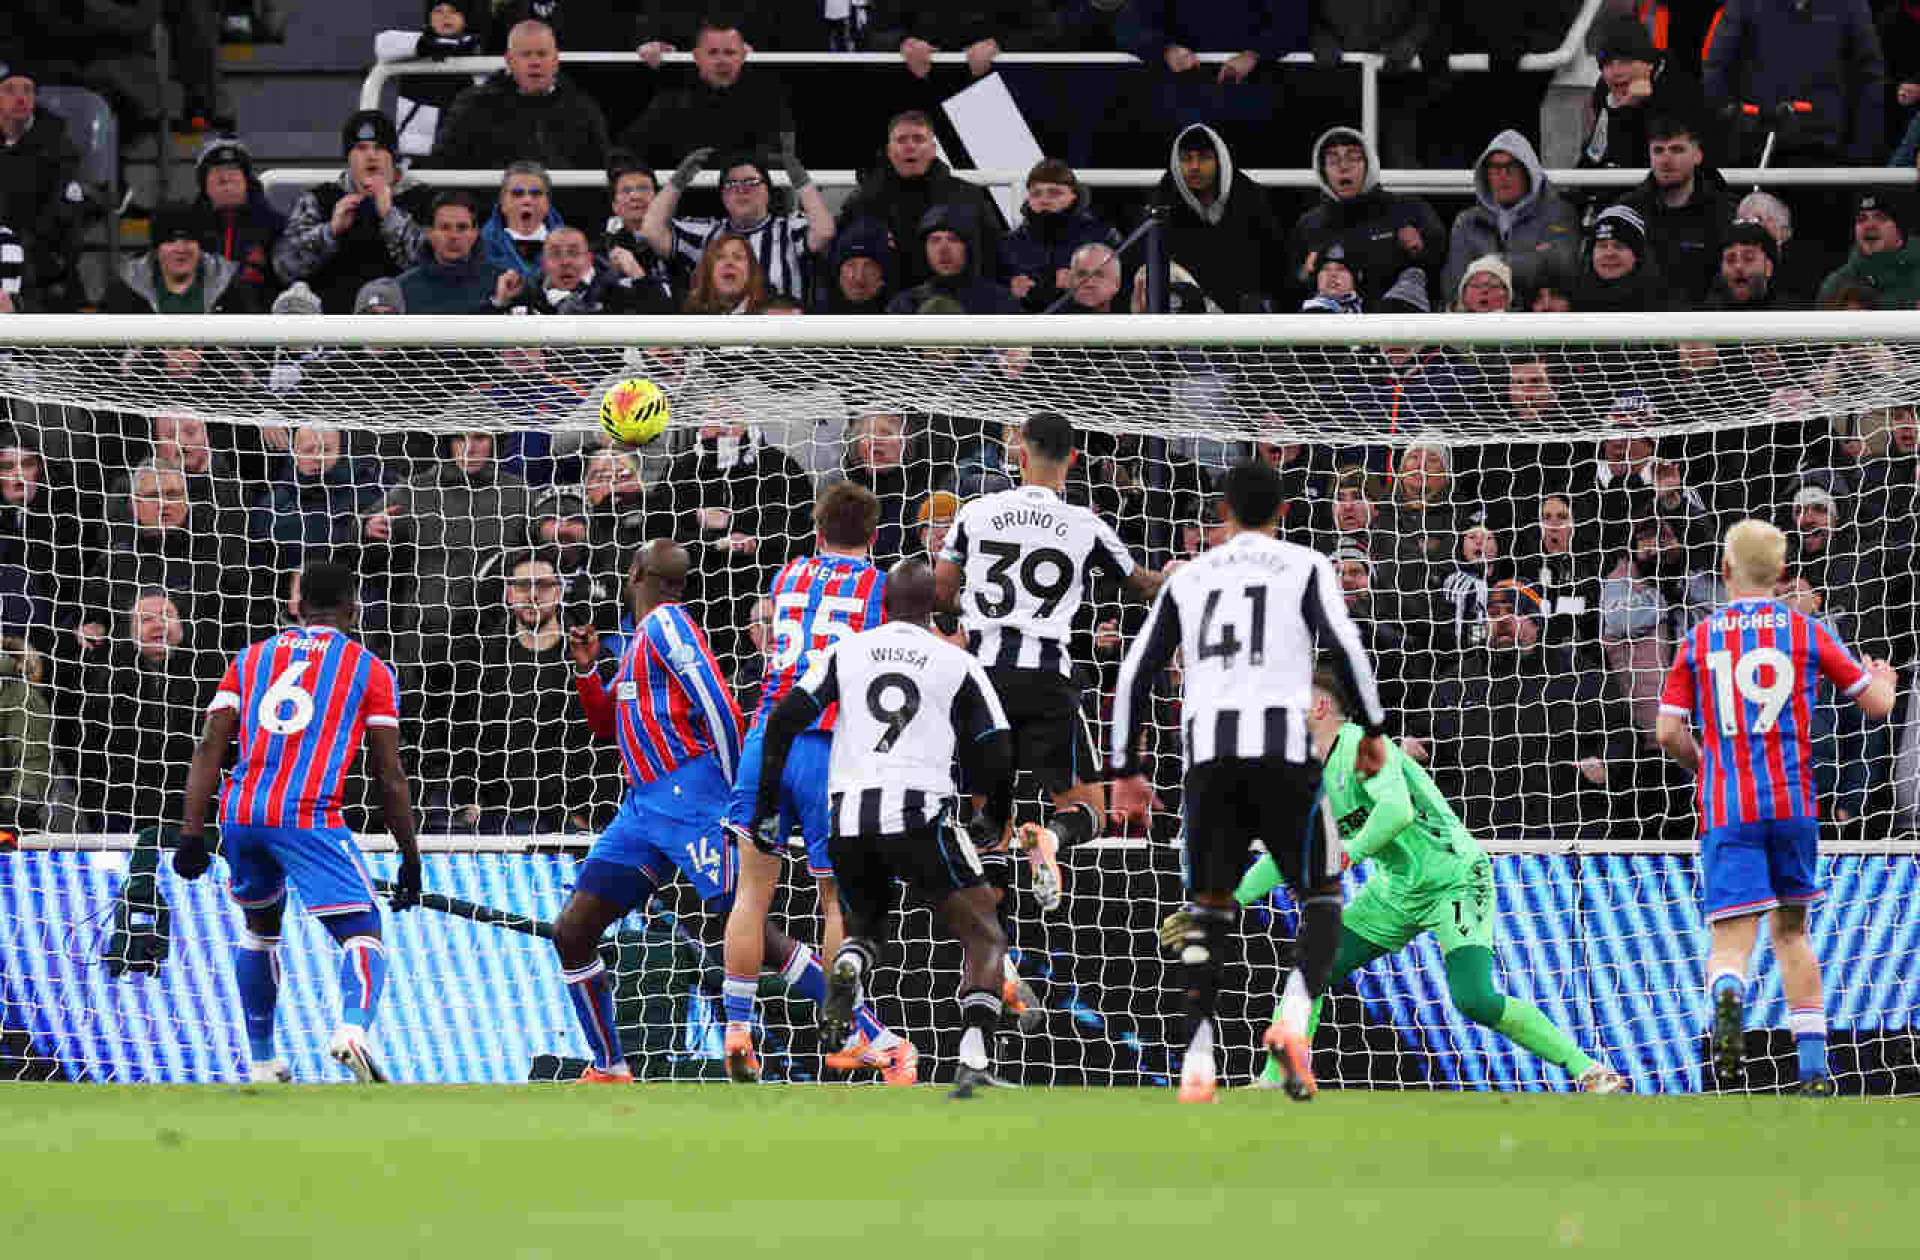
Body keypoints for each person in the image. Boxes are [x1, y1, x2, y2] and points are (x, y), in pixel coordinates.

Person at [1165, 668, 1627, 1094]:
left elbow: (1396, 811)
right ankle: (1276, 1078)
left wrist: (1344, 854)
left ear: (1319, 706)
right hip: (1396, 891)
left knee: (1475, 1000)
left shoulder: (1365, 746)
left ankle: (1587, 1068)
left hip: (1454, 878)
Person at [554, 539, 891, 1080]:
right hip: (642, 808)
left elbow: (718, 704)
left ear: (635, 572)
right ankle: (610, 1065)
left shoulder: (669, 625)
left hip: (690, 797)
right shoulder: (641, 638)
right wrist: (589, 671)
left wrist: (740, 788)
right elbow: (605, 723)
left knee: (753, 928)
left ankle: (869, 1032)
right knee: (573, 931)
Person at [1111, 458, 1386, 1103]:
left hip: (1209, 763)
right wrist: (1373, 729)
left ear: (1222, 513)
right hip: (1285, 756)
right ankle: (1293, 1020)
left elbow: (1135, 673)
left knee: (1207, 908)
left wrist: (1124, 770)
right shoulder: (1305, 565)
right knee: (1322, 895)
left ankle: (1197, 1061)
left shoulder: (1190, 576)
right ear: (1284, 512)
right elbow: (1347, 647)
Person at [750, 556, 1017, 1098]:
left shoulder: (845, 651)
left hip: (848, 818)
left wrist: (767, 804)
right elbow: (997, 742)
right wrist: (995, 812)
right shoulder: (954, 661)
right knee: (985, 934)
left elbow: (782, 720)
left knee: (866, 931)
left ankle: (848, 964)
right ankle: (973, 1059)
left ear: (883, 604)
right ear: (933, 605)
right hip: (919, 814)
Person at [1655, 519, 1898, 1093]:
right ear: (1783, 572)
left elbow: (1666, 732)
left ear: (1724, 570)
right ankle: (1813, 1070)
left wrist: (1703, 764)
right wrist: (1883, 678)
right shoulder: (1807, 630)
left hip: (1728, 807)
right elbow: (1877, 706)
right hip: (1793, 805)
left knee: (1731, 940)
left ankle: (1728, 998)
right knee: (1793, 934)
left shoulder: (1699, 638)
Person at [171, 560, 424, 1085]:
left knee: (261, 929)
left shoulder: (250, 658)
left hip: (241, 814)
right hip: (307, 813)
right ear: (354, 608)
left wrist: (191, 832)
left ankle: (262, 1061)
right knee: (362, 930)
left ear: (297, 606)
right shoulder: (370, 669)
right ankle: (352, 1031)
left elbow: (209, 746)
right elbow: (389, 774)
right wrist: (410, 853)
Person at [935, 411, 1170, 926]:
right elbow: (1139, 584)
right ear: (1073, 459)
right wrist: (1176, 575)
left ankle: (993, 944)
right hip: (1047, 680)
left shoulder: (976, 512)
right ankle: (1052, 837)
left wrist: (963, 618)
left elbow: (942, 591)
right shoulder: (1085, 523)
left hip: (983, 680)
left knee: (989, 819)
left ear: (1020, 454)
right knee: (1090, 810)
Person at [718, 482, 913, 1083]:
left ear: (817, 528)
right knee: (837, 898)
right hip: (834, 746)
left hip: (769, 737)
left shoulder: (787, 577)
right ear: (874, 534)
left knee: (752, 893)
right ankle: (849, 1033)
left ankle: (738, 1031)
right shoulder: (881, 587)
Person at [427, 18, 611, 209]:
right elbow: (442, 165)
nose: (535, 62)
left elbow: (603, 170)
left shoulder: (582, 107)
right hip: (490, 214)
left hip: (566, 216)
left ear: (556, 60)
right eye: (526, 55)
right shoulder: (474, 105)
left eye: (542, 54)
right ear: (509, 60)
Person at [273, 110, 434, 313]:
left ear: (393, 156)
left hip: (403, 323)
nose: (371, 156)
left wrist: (390, 217)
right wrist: (330, 231)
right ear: (348, 157)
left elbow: (435, 267)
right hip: (334, 323)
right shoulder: (320, 199)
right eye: (361, 148)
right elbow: (285, 267)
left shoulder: (423, 199)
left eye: (379, 148)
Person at [837, 110, 1002, 289]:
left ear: (933, 149)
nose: (910, 146)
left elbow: (995, 255)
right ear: (889, 150)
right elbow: (839, 258)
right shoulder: (864, 201)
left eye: (918, 139)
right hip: (888, 301)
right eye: (901, 140)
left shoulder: (968, 195)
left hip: (954, 299)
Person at [639, 149, 831, 303]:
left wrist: (800, 180)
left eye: (751, 182)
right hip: (721, 336)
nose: (741, 189)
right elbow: (651, 230)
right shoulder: (707, 233)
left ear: (768, 192)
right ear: (723, 197)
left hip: (779, 335)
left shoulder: (789, 228)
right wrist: (679, 181)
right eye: (731, 184)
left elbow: (824, 231)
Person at [1288, 125, 1445, 312]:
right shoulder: (1310, 224)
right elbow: (1290, 291)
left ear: (1369, 165)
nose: (1343, 167)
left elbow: (1441, 274)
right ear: (1323, 171)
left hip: (1395, 326)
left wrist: (1419, 250)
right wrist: (1305, 272)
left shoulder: (1408, 210)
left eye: (1353, 158)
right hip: (1332, 328)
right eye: (1333, 160)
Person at [620, 17, 795, 172]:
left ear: (743, 56)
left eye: (729, 53)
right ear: (697, 57)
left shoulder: (764, 103)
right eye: (712, 53)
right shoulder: (671, 102)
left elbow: (782, 160)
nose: (721, 61)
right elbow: (629, 151)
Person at [1158, 123, 1286, 313]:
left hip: (1247, 320)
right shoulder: (1163, 204)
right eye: (1186, 159)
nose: (1194, 167)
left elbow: (1276, 268)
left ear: (1220, 160)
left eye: (1204, 158)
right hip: (1183, 319)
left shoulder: (1251, 200)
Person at [1614, 116, 1740, 307]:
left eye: (1677, 150)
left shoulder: (1725, 212)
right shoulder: (1627, 211)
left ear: (1698, 155)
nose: (1666, 160)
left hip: (1706, 320)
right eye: (1658, 150)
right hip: (1641, 319)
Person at [1442, 130, 1579, 300]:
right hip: (1480, 313)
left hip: (1534, 312)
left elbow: (1563, 264)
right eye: (1495, 168)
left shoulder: (1559, 213)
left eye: (1511, 168)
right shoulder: (1467, 222)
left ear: (1528, 172)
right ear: (1485, 174)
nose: (1503, 176)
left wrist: (1496, 265)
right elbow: (1454, 285)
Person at [0, 60, 86, 310]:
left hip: (41, 268)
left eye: (27, 90)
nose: (20, 98)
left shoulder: (57, 145)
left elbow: (62, 218)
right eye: (10, 90)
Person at [1579, 14, 1708, 170]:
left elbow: (1652, 165)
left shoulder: (1679, 89)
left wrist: (1627, 110)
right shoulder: (1605, 88)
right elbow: (1595, 153)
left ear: (1649, 63)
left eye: (1626, 62)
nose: (1616, 72)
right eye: (1607, 64)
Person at [998, 159, 1121, 312]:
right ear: (1028, 198)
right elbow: (986, 291)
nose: (1044, 200)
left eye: (1054, 193)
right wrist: (1008, 291)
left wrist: (1083, 286)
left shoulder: (1103, 236)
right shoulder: (1008, 243)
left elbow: (1122, 293)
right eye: (1036, 193)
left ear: (1073, 195)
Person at [101, 201, 262, 314]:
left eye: (189, 239)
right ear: (156, 249)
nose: (180, 249)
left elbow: (254, 347)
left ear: (200, 247)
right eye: (170, 240)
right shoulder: (124, 291)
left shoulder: (230, 288)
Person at [192, 134, 283, 308]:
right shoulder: (187, 232)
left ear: (247, 180)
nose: (226, 178)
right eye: (216, 170)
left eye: (233, 169)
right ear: (204, 185)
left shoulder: (276, 229)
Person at [885, 204, 1022, 315]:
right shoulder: (904, 306)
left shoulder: (1001, 303)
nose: (943, 249)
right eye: (935, 240)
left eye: (953, 239)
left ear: (968, 247)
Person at [396, 190, 504, 315]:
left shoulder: (503, 284)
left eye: (462, 227)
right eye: (444, 227)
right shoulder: (401, 290)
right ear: (429, 233)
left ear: (475, 232)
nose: (453, 236)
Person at [1816, 190, 1920, 308]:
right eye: (1861, 219)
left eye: (1880, 218)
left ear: (1898, 228)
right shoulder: (1836, 285)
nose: (1869, 226)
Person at [478, 160, 563, 289]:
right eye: (517, 193)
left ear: (547, 202)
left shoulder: (573, 249)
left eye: (536, 194)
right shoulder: (477, 249)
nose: (527, 200)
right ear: (503, 202)